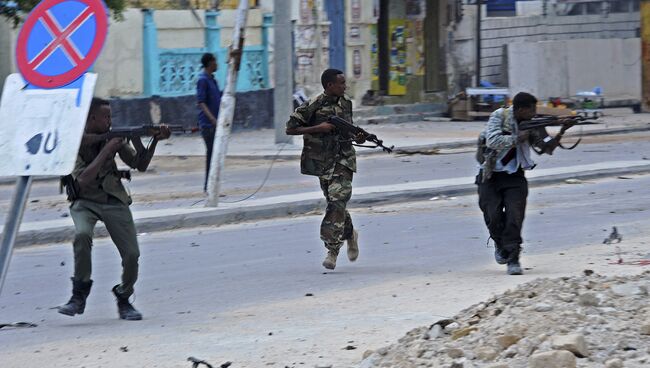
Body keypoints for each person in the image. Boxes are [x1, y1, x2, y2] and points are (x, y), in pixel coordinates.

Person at [58, 97, 170, 320]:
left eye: (111, 116)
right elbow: (82, 180)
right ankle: (78, 296)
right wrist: (106, 149)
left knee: (132, 254)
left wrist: (153, 141)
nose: (110, 121)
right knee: (81, 235)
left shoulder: (113, 137)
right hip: (84, 201)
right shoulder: (74, 143)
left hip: (112, 199)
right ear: (92, 119)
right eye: (106, 117)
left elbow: (141, 164)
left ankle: (123, 296)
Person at [476, 92, 574, 275]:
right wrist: (517, 138)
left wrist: (561, 131)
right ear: (521, 109)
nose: (533, 113)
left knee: (515, 216)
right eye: (531, 110)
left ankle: (513, 258)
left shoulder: (533, 123)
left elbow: (546, 148)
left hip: (515, 175)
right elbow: (493, 140)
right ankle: (500, 244)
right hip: (490, 175)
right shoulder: (499, 116)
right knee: (493, 215)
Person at [286, 69, 365, 270]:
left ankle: (332, 250)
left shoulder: (346, 102)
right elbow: (291, 128)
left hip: (344, 160)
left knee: (337, 201)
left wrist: (358, 137)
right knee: (334, 203)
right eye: (341, 83)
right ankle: (350, 234)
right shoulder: (313, 104)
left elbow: (349, 128)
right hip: (323, 162)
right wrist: (317, 129)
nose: (345, 86)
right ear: (330, 85)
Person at [197, 52, 223, 192]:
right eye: (215, 61)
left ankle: (211, 186)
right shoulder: (202, 80)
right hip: (208, 125)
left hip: (215, 124)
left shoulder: (213, 80)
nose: (217, 64)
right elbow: (201, 102)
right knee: (212, 154)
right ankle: (209, 187)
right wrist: (213, 119)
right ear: (210, 63)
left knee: (214, 154)